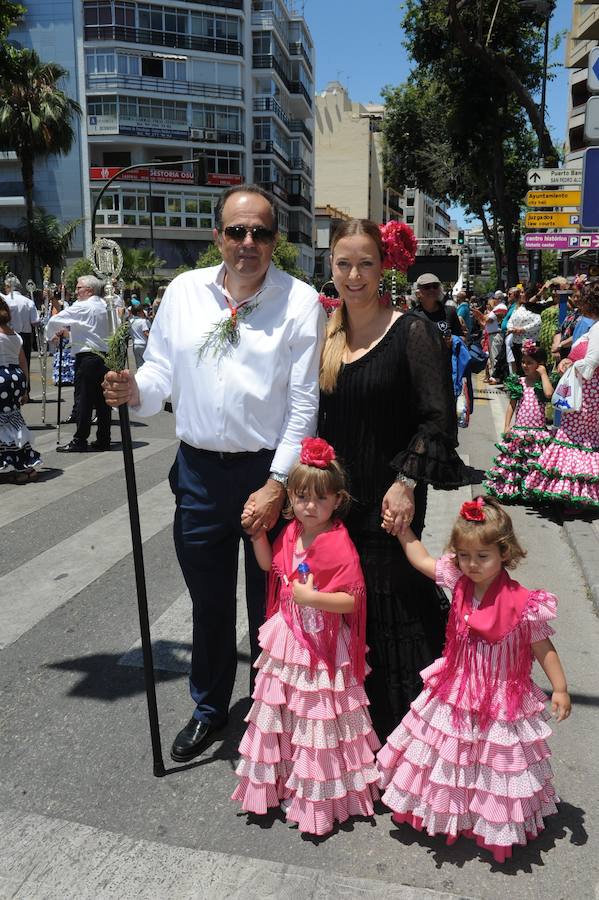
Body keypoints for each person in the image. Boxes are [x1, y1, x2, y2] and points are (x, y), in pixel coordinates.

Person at [102, 185, 324, 762]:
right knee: (208, 603)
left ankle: (268, 708)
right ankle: (209, 707)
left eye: (261, 233)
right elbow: (159, 375)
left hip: (266, 471)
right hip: (198, 474)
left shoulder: (299, 302)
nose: (248, 243)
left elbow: (303, 405)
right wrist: (134, 391)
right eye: (236, 231)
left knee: (270, 602)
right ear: (217, 236)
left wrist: (277, 483)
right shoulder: (183, 291)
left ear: (277, 239)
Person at [317, 218, 467, 741]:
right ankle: (348, 738)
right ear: (331, 266)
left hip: (390, 502)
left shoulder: (412, 331)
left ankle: (406, 744)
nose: (354, 274)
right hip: (334, 507)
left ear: (384, 267)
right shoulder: (326, 334)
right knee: (342, 609)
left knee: (391, 605)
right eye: (344, 263)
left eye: (365, 263)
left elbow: (437, 420)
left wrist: (406, 480)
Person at [377, 495, 571, 863]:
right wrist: (403, 533)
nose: (472, 564)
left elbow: (542, 647)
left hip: (501, 695)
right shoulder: (459, 581)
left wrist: (559, 688)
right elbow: (421, 559)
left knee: (497, 762)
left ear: (504, 554)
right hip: (458, 687)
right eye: (464, 555)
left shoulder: (523, 603)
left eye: (482, 557)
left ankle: (493, 820)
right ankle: (449, 812)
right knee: (451, 757)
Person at [232, 438, 380, 834]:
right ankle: (283, 781)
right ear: (290, 499)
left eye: (319, 498)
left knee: (319, 720)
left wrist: (313, 597)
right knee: (285, 711)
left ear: (337, 500)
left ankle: (319, 796)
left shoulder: (339, 544)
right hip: (288, 636)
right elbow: (270, 567)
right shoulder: (291, 532)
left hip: (322, 645)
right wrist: (258, 535)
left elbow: (352, 601)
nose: (308, 505)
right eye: (300, 497)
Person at [525, 282, 599, 510]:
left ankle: (573, 494)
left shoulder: (598, 329)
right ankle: (575, 492)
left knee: (575, 440)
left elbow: (592, 362)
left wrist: (571, 365)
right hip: (586, 391)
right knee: (579, 440)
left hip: (586, 393)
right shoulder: (595, 327)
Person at [45, 275, 112, 453]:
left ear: (89, 290)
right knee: (102, 401)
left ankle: (80, 440)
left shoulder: (82, 306)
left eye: (79, 288)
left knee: (83, 399)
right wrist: (69, 333)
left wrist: (50, 335)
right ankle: (104, 438)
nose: (76, 291)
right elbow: (94, 330)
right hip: (105, 356)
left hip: (88, 358)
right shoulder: (106, 305)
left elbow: (54, 320)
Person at [483, 341, 554, 502]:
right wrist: (507, 425)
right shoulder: (519, 382)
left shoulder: (543, 384)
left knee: (533, 464)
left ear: (540, 364)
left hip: (538, 433)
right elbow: (511, 406)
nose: (525, 365)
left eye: (530, 362)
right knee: (515, 462)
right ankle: (513, 490)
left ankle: (531, 490)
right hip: (520, 430)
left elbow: (549, 394)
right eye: (523, 362)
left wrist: (543, 374)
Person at [0, 297, 42, 482]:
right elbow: (23, 361)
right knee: (12, 419)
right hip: (14, 377)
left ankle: (17, 463)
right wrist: (25, 389)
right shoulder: (14, 334)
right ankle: (24, 461)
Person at [2, 277, 39, 387]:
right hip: (25, 334)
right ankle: (25, 389)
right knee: (25, 362)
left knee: (7, 360)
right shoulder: (28, 301)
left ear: (9, 287)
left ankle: (10, 386)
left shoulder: (4, 300)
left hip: (7, 333)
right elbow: (35, 321)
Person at [506, 287, 542, 375]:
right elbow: (510, 320)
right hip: (516, 342)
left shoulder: (536, 307)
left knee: (530, 365)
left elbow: (538, 323)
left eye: (522, 292)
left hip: (530, 342)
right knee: (519, 364)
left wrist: (523, 329)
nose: (520, 294)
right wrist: (511, 328)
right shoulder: (519, 307)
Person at [128, 300, 150, 370]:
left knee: (139, 365)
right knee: (147, 364)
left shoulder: (131, 321)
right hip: (143, 345)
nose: (143, 312)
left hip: (135, 345)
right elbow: (145, 333)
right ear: (138, 313)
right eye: (142, 311)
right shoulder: (142, 321)